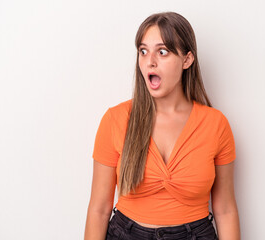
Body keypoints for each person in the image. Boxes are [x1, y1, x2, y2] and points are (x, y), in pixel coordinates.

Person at [84, 11, 240, 240]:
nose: (150, 61)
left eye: (163, 51)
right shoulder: (115, 119)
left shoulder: (216, 125)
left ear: (187, 59)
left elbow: (225, 209)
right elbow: (98, 210)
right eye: (143, 51)